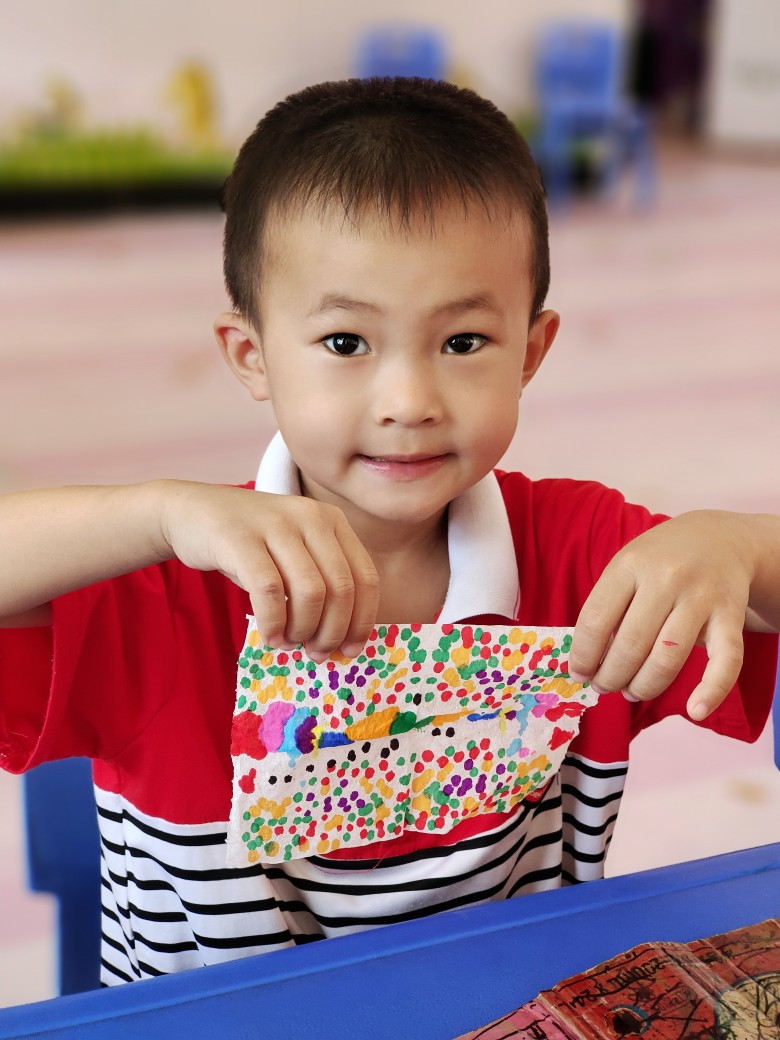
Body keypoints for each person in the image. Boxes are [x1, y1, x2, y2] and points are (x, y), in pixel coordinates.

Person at [0, 77, 778, 986]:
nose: (409, 402)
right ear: (252, 356)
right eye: (346, 343)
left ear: (530, 352)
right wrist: (157, 513)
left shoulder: (585, 554)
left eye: (462, 343)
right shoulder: (163, 579)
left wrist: (738, 546)